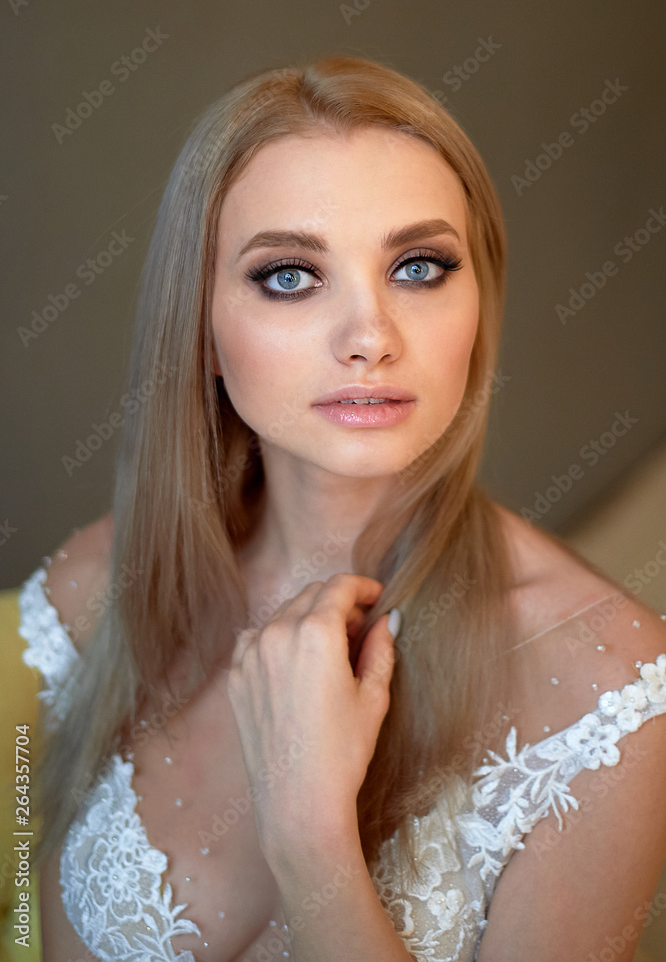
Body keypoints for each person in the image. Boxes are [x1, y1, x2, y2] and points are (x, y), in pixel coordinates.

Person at [10, 54, 666, 962]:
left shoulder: (610, 696)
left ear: (481, 299)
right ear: (198, 322)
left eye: (420, 267)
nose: (369, 338)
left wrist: (311, 841)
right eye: (288, 276)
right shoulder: (98, 587)